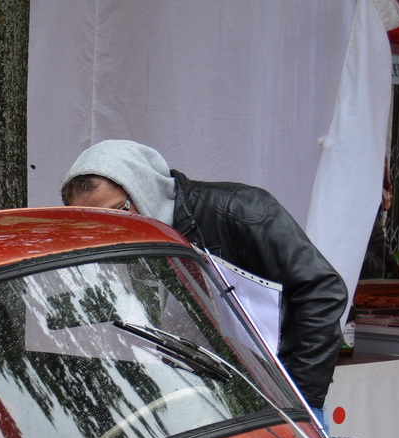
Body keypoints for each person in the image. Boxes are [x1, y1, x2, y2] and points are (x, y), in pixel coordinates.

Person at [60, 139, 348, 412]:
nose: (111, 229)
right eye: (96, 222)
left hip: (279, 397)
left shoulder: (239, 208)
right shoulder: (116, 244)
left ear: (143, 189)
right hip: (197, 402)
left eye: (119, 212)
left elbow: (323, 291)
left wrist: (303, 397)